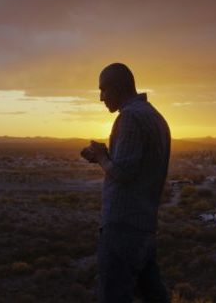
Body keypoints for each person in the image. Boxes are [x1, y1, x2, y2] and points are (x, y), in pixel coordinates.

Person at [81, 62, 171, 303]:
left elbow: (123, 173)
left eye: (104, 90)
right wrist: (103, 157)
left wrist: (101, 156)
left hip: (123, 227)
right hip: (144, 226)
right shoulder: (155, 117)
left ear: (120, 87)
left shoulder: (129, 117)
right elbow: (136, 168)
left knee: (113, 295)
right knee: (153, 296)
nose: (101, 98)